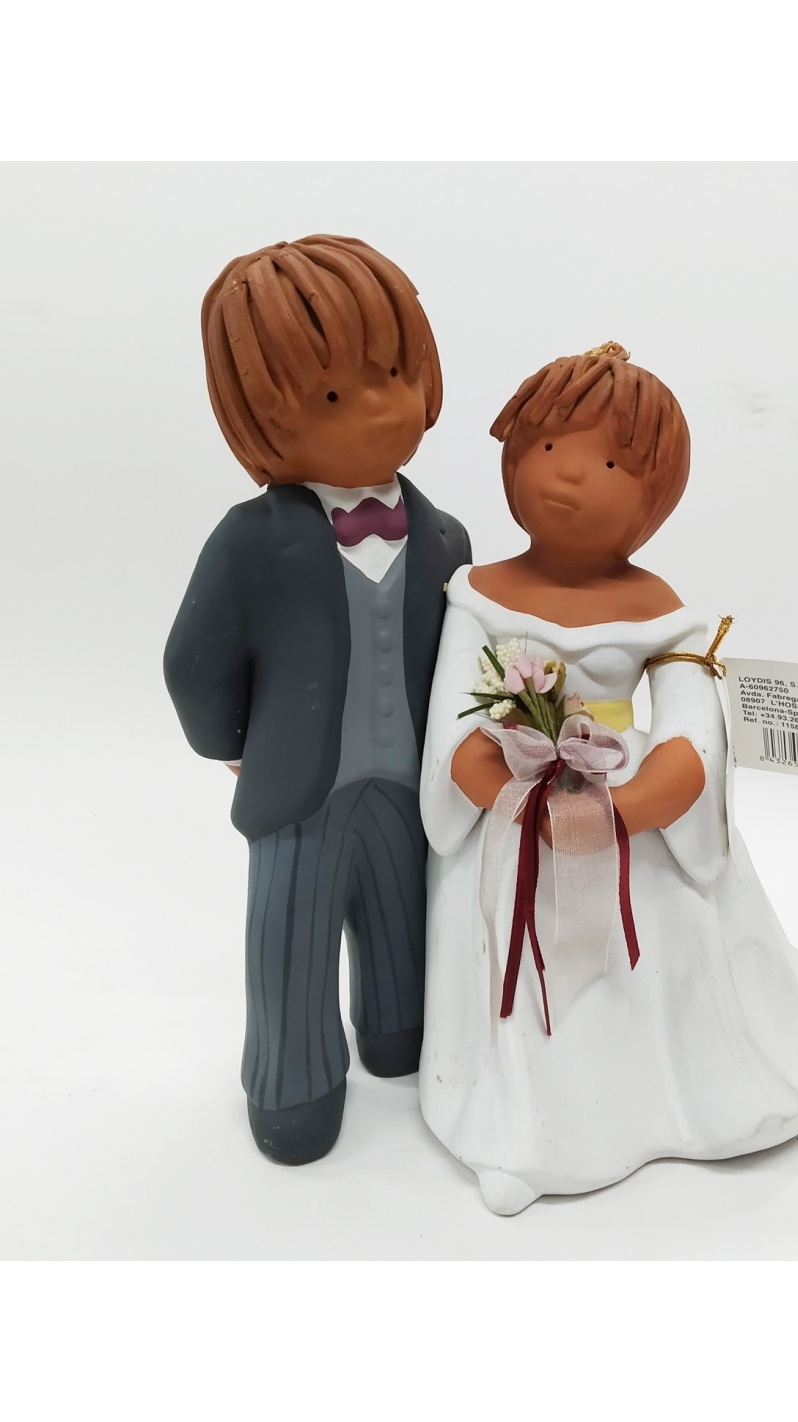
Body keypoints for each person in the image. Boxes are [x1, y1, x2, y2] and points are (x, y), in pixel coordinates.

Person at [419, 343, 798, 1214]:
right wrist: (514, 798)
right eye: (549, 447)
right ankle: (530, 1133)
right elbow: (456, 725)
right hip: (519, 817)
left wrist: (639, 802)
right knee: (521, 950)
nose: (569, 476)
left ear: (655, 499)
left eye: (613, 465)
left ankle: (691, 1096)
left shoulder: (664, 612)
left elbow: (692, 727)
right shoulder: (476, 595)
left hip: (626, 815)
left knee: (666, 935)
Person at [164, 235, 471, 1165]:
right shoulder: (251, 540)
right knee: (289, 941)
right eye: (333, 397)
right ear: (259, 418)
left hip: (414, 787)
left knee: (408, 921)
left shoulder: (446, 536)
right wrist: (233, 745)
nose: (379, 409)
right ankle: (293, 1090)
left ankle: (402, 1036)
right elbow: (192, 661)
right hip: (300, 793)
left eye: (393, 376)